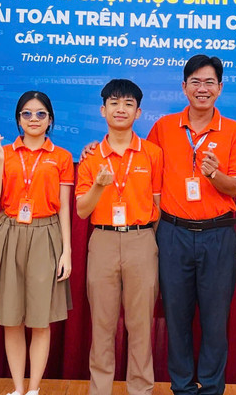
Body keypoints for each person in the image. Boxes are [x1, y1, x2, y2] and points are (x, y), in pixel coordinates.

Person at [147, 54, 236, 395]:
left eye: (209, 82)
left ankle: (210, 388)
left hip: (217, 234)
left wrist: (214, 174)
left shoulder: (234, 132)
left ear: (220, 88)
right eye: (195, 82)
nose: (202, 89)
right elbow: (144, 169)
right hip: (173, 233)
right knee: (176, 316)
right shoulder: (163, 128)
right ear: (184, 87)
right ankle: (181, 387)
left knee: (215, 319)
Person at [75, 79, 163, 395]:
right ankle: (100, 389)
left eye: (128, 104)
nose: (120, 109)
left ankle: (141, 389)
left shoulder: (152, 153)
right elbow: (82, 211)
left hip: (142, 239)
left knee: (141, 324)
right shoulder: (91, 156)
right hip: (103, 240)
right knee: (102, 325)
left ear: (138, 112)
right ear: (103, 110)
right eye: (114, 103)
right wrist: (99, 186)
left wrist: (148, 241)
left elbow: (158, 205)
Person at [0, 91, 74, 395]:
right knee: (11, 319)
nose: (33, 119)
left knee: (40, 319)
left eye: (40, 114)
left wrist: (66, 251)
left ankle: (34, 389)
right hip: (10, 231)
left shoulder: (61, 157)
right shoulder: (4, 153)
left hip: (46, 233)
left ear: (50, 120)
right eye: (27, 113)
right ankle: (18, 388)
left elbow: (64, 207)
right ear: (18, 119)